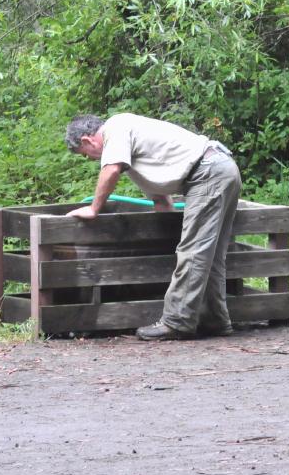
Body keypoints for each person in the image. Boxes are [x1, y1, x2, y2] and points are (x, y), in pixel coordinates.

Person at [64, 113, 241, 341]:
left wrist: (93, 208)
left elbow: (110, 170)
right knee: (211, 255)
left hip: (207, 173)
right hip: (221, 168)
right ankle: (215, 319)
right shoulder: (134, 149)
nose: (90, 159)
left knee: (193, 253)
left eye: (85, 154)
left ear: (88, 141)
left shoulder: (116, 128)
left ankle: (177, 322)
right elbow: (162, 202)